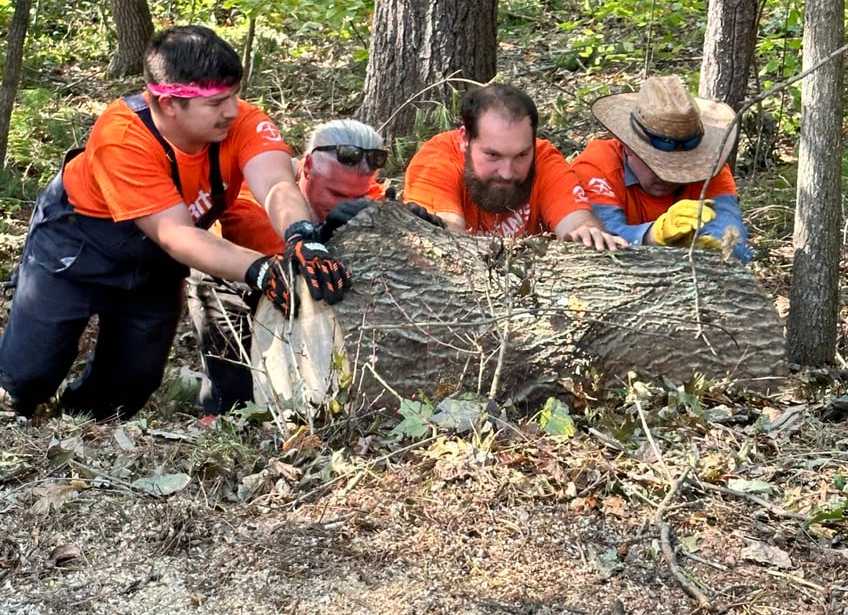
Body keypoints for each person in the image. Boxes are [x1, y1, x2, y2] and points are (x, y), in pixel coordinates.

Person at [0, 25, 351, 421]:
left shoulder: (242, 122)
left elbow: (275, 183)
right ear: (168, 103)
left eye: (234, 95)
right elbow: (176, 232)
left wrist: (302, 237)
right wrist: (261, 270)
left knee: (129, 385)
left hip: (157, 259)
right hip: (77, 245)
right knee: (26, 377)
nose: (232, 111)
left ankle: (78, 419)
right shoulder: (122, 137)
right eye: (217, 102)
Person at [187, 118, 391, 415]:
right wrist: (321, 234)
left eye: (356, 197)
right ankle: (215, 404)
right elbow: (254, 233)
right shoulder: (254, 189)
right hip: (236, 286)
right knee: (235, 405)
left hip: (308, 318)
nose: (343, 204)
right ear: (307, 166)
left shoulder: (361, 188)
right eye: (334, 194)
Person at [402, 81, 625, 249]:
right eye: (492, 155)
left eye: (521, 155)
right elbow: (447, 233)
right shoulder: (436, 160)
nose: (507, 173)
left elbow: (577, 222)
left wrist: (588, 234)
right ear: (465, 140)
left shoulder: (545, 159)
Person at [570, 74, 752, 262]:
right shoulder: (596, 166)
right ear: (628, 146)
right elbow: (600, 235)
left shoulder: (710, 168)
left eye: (684, 166)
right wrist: (652, 235)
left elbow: (729, 228)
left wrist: (715, 246)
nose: (668, 178)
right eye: (655, 165)